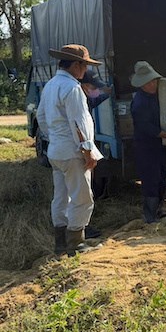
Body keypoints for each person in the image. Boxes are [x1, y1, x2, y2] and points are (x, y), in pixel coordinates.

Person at [36, 44, 104, 256]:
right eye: (84, 65)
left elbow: (41, 117)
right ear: (76, 65)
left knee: (61, 196)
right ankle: (76, 243)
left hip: (56, 150)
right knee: (81, 197)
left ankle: (61, 244)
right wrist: (87, 150)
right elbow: (79, 123)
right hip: (73, 151)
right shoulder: (72, 88)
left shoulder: (50, 85)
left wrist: (54, 138)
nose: (85, 70)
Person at [130, 61, 166, 223]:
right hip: (146, 147)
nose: (153, 84)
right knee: (151, 179)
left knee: (161, 176)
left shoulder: (156, 97)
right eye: (149, 82)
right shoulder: (139, 102)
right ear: (142, 84)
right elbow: (146, 127)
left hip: (158, 145)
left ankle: (158, 209)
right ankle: (150, 215)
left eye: (154, 81)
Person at [77, 69, 113, 238]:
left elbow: (96, 99)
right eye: (93, 87)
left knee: (81, 191)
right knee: (82, 192)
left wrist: (107, 92)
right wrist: (87, 152)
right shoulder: (77, 100)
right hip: (78, 152)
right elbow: (78, 127)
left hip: (72, 151)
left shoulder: (85, 99)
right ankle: (81, 230)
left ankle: (79, 228)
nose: (95, 90)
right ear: (84, 86)